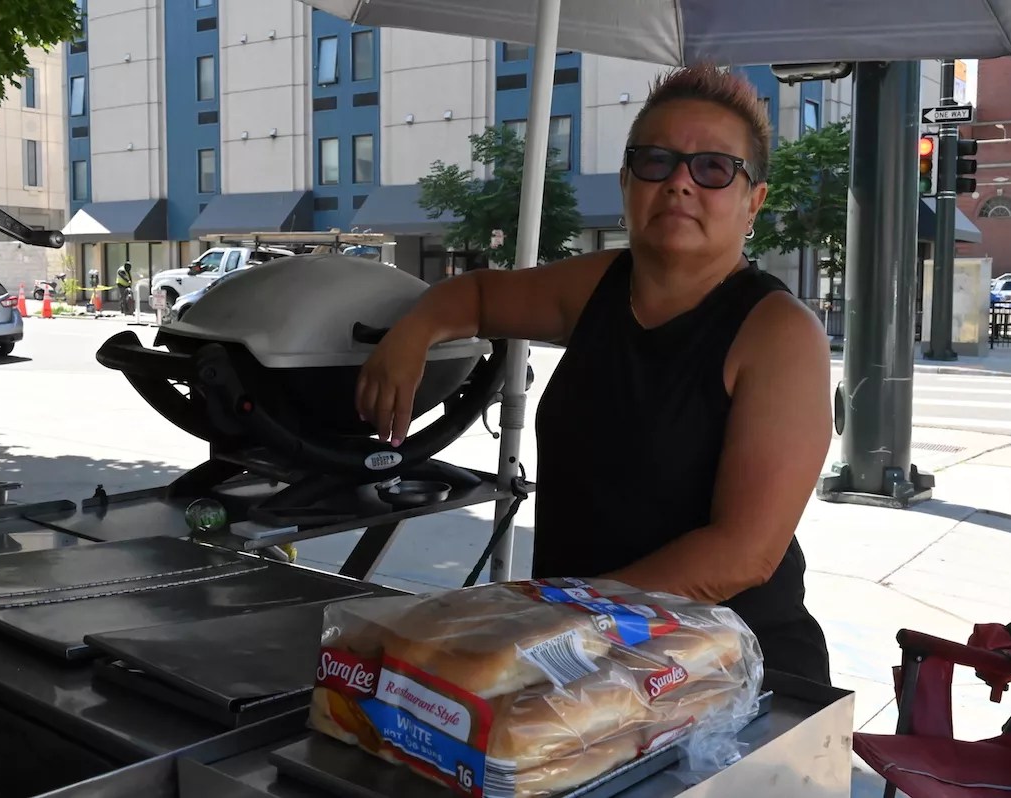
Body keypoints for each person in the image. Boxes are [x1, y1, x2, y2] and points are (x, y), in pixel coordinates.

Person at [355, 64, 834, 684]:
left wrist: (560, 615)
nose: (680, 183)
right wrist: (413, 331)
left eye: (714, 167)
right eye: (656, 161)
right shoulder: (597, 286)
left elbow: (743, 553)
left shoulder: (779, 332)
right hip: (577, 655)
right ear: (627, 182)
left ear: (754, 201)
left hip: (724, 668)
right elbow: (474, 295)